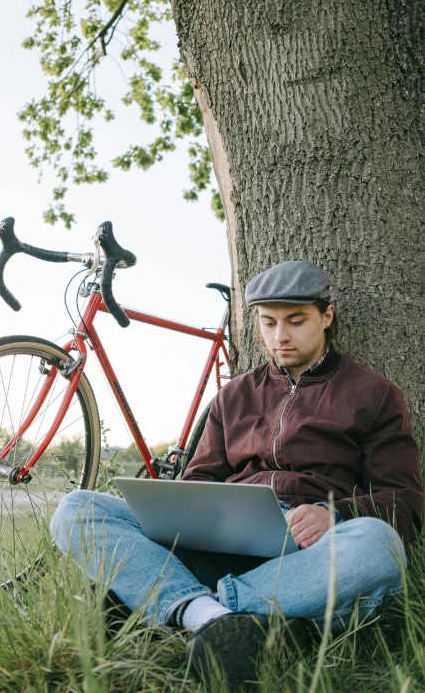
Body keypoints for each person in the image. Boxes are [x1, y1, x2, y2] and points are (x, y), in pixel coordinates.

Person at [50, 261, 424, 689]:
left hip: (312, 554)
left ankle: (188, 607)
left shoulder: (373, 394)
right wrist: (195, 513)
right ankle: (226, 621)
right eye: (268, 323)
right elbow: (198, 483)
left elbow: (405, 501)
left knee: (381, 547)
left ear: (327, 316)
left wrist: (332, 514)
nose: (280, 337)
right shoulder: (233, 396)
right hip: (223, 543)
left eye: (296, 321)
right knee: (78, 507)